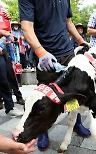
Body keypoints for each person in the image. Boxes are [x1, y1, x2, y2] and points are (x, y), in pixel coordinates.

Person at [18, 0, 91, 151]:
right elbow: (27, 27)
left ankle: (76, 121)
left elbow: (68, 22)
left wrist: (81, 41)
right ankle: (43, 131)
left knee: (73, 91)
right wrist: (40, 51)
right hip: (46, 56)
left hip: (67, 52)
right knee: (45, 97)